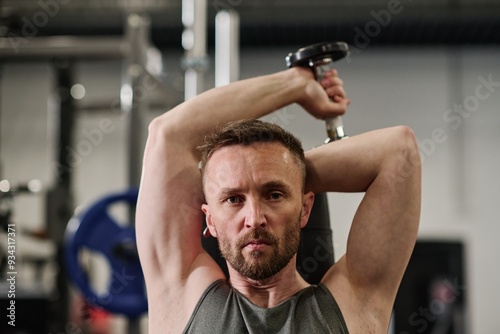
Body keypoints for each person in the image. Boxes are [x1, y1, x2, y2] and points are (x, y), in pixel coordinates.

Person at [136, 65, 421, 333]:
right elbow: (166, 135)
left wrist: (287, 169)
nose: (254, 219)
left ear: (305, 208)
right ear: (209, 219)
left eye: (273, 195)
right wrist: (295, 84)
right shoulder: (181, 295)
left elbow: (399, 151)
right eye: (234, 199)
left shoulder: (353, 305)